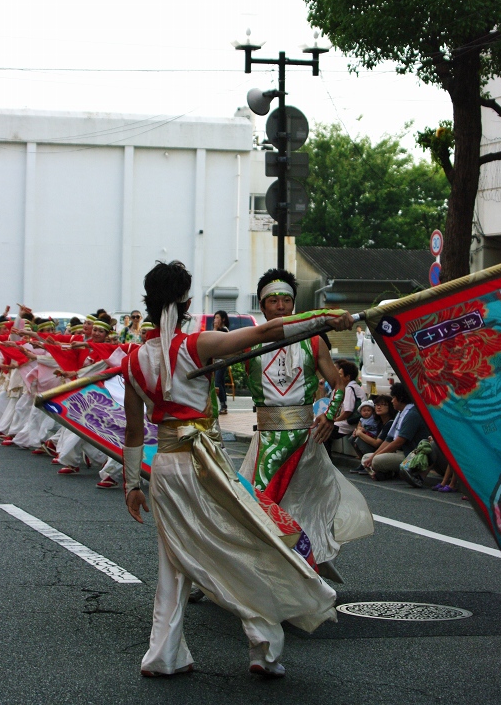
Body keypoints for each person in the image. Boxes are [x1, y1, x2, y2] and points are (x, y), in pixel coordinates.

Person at [122, 260, 354, 679]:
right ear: (187, 303)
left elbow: (134, 431)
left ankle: (164, 655)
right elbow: (265, 333)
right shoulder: (199, 345)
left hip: (164, 470)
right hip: (202, 464)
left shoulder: (133, 361)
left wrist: (130, 484)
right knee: (247, 545)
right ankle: (263, 648)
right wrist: (324, 317)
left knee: (173, 562)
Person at [238, 268, 373, 584]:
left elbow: (338, 384)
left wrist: (329, 415)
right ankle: (234, 573)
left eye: (286, 299)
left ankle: (299, 573)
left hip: (305, 442)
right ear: (262, 306)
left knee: (302, 509)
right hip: (265, 441)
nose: (281, 306)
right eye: (273, 300)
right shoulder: (247, 345)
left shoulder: (313, 341)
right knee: (250, 510)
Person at [362, 382, 430, 480]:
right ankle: (386, 473)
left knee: (376, 460)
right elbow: (389, 439)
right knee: (366, 458)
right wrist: (373, 455)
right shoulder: (400, 413)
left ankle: (385, 473)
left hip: (409, 453)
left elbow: (399, 442)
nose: (392, 401)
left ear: (401, 398)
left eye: (393, 398)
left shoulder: (412, 414)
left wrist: (374, 457)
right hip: (397, 452)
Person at [350, 394, 396, 473]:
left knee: (359, 440)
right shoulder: (378, 421)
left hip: (387, 451)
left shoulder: (390, 423)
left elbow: (376, 443)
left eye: (383, 405)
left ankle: (368, 464)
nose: (378, 407)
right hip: (378, 450)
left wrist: (360, 433)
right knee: (352, 438)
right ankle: (363, 463)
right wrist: (360, 430)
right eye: (377, 405)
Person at [212, 309, 229, 415]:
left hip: (222, 361)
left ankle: (223, 405)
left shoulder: (223, 330)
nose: (215, 320)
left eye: (217, 317)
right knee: (221, 383)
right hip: (218, 361)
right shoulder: (220, 330)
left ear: (223, 319)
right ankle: (224, 405)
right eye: (215, 318)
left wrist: (214, 328)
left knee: (217, 383)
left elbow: (213, 340)